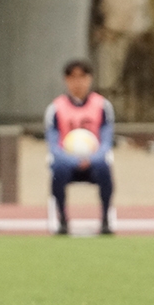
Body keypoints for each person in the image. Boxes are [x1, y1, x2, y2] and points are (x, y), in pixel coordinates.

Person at [45, 59, 115, 236]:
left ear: (90, 79)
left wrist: (91, 159)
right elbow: (53, 144)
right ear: (66, 80)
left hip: (94, 161)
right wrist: (72, 160)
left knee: (105, 169)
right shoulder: (56, 108)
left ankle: (105, 220)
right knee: (58, 170)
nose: (78, 82)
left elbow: (106, 141)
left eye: (82, 77)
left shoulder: (102, 106)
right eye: (73, 77)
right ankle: (63, 220)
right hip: (67, 161)